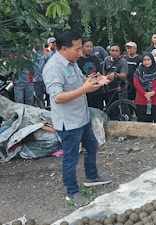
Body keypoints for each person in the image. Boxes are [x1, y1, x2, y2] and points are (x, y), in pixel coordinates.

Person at [42, 31, 112, 206]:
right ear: (64, 48)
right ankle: (72, 192)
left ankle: (92, 176)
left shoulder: (72, 63)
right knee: (71, 158)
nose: (81, 53)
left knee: (92, 145)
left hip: (82, 116)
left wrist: (97, 80)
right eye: (78, 49)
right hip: (69, 122)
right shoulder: (53, 67)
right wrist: (85, 89)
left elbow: (84, 83)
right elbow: (57, 97)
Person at [133, 53, 156, 123]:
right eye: (144, 60)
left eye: (148, 60)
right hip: (142, 100)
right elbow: (136, 83)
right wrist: (145, 94)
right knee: (143, 122)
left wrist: (153, 93)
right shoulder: (138, 71)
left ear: (152, 60)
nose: (146, 62)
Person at [102, 43, 129, 118]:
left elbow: (124, 75)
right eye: (112, 50)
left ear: (120, 52)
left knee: (122, 106)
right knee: (110, 106)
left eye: (116, 51)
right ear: (109, 51)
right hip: (109, 87)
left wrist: (116, 74)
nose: (114, 52)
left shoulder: (123, 61)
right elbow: (104, 69)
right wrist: (104, 78)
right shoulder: (107, 59)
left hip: (120, 87)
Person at [77, 38, 104, 109]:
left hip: (97, 91)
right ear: (82, 47)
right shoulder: (77, 60)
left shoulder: (95, 58)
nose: (89, 48)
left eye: (91, 47)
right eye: (87, 46)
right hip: (85, 92)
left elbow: (99, 72)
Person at [32, 43, 47, 109]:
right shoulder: (30, 54)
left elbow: (48, 58)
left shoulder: (43, 53)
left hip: (45, 79)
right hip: (36, 80)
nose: (38, 44)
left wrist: (44, 48)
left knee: (48, 96)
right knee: (39, 97)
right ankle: (43, 110)